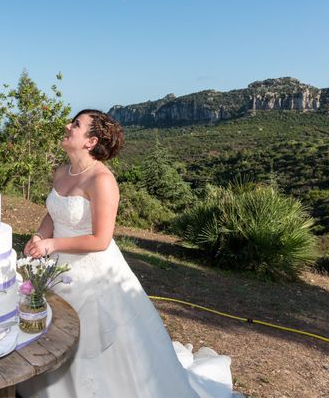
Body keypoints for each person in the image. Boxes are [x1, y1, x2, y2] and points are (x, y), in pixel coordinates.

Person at [18, 109, 234, 398]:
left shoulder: (102, 180)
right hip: (56, 267)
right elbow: (53, 213)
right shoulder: (61, 171)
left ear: (90, 141)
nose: (67, 126)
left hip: (92, 272)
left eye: (76, 125)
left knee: (93, 345)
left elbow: (101, 240)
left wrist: (52, 245)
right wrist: (39, 235)